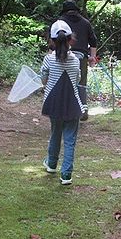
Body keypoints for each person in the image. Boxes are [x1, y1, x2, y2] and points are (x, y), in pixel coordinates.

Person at [41, 20, 85, 185]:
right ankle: (66, 175)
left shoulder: (48, 60)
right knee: (70, 139)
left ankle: (51, 164)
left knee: (55, 133)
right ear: (70, 39)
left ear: (52, 40)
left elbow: (44, 80)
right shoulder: (75, 60)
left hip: (53, 103)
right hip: (72, 104)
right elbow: (77, 79)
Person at [59, 0, 98, 121]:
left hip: (63, 56)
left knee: (63, 83)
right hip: (82, 57)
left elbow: (53, 40)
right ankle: (83, 110)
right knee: (81, 84)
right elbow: (93, 41)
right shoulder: (85, 22)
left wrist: (50, 55)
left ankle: (64, 111)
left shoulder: (60, 22)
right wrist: (92, 57)